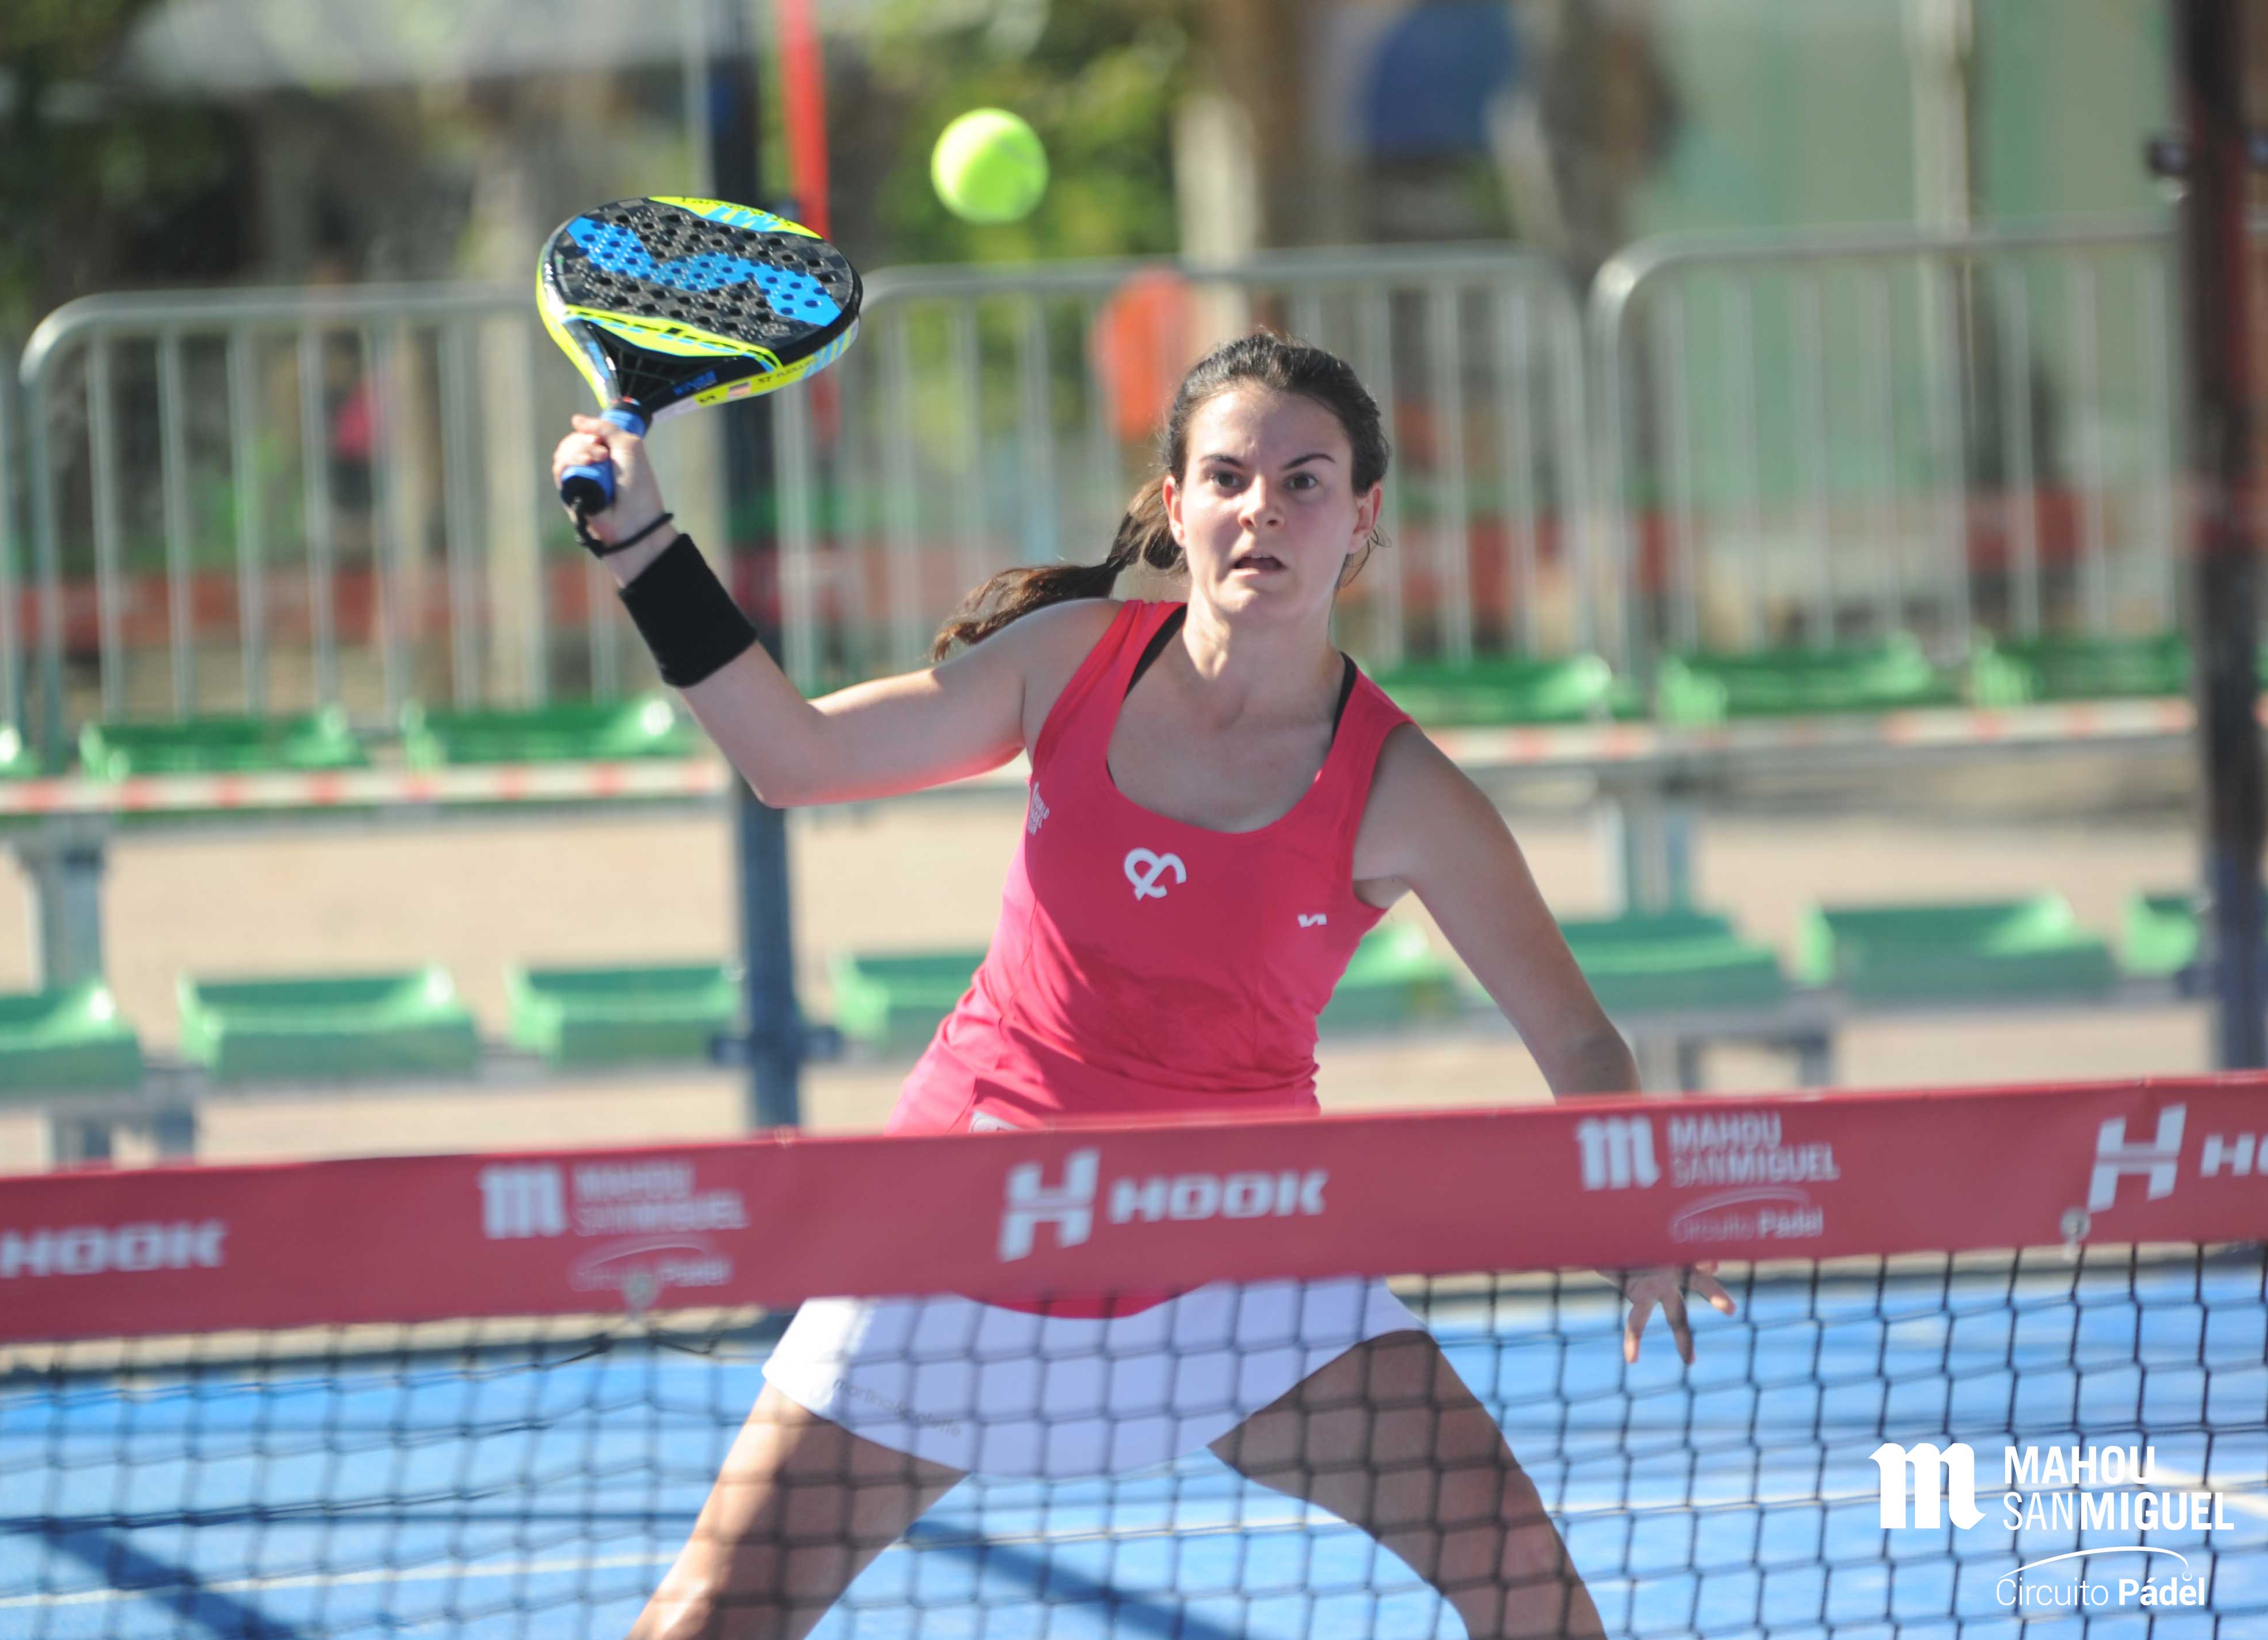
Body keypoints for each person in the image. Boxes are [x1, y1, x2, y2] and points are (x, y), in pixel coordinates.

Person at [550, 332, 1732, 1640]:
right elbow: (795, 757)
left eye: (1304, 481)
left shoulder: (1407, 792)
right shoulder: (1067, 660)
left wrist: (1638, 1211)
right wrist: (643, 546)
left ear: (1362, 518)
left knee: (1527, 1585)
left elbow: (1581, 1043)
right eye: (1227, 477)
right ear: (1175, 506)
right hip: (965, 1221)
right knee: (707, 1619)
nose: (1262, 509)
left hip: (1239, 1247)